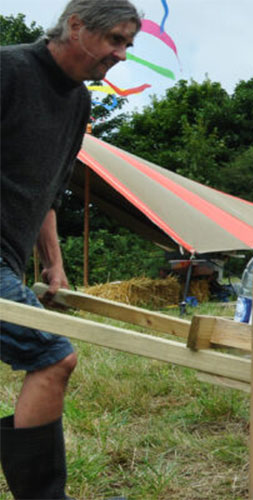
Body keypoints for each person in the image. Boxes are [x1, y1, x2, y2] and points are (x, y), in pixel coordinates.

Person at [0, 1, 141, 497]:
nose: (122, 54)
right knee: (53, 357)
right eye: (116, 40)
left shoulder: (78, 102)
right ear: (76, 26)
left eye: (128, 44)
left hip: (9, 263)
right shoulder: (9, 70)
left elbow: (46, 192)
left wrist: (54, 266)